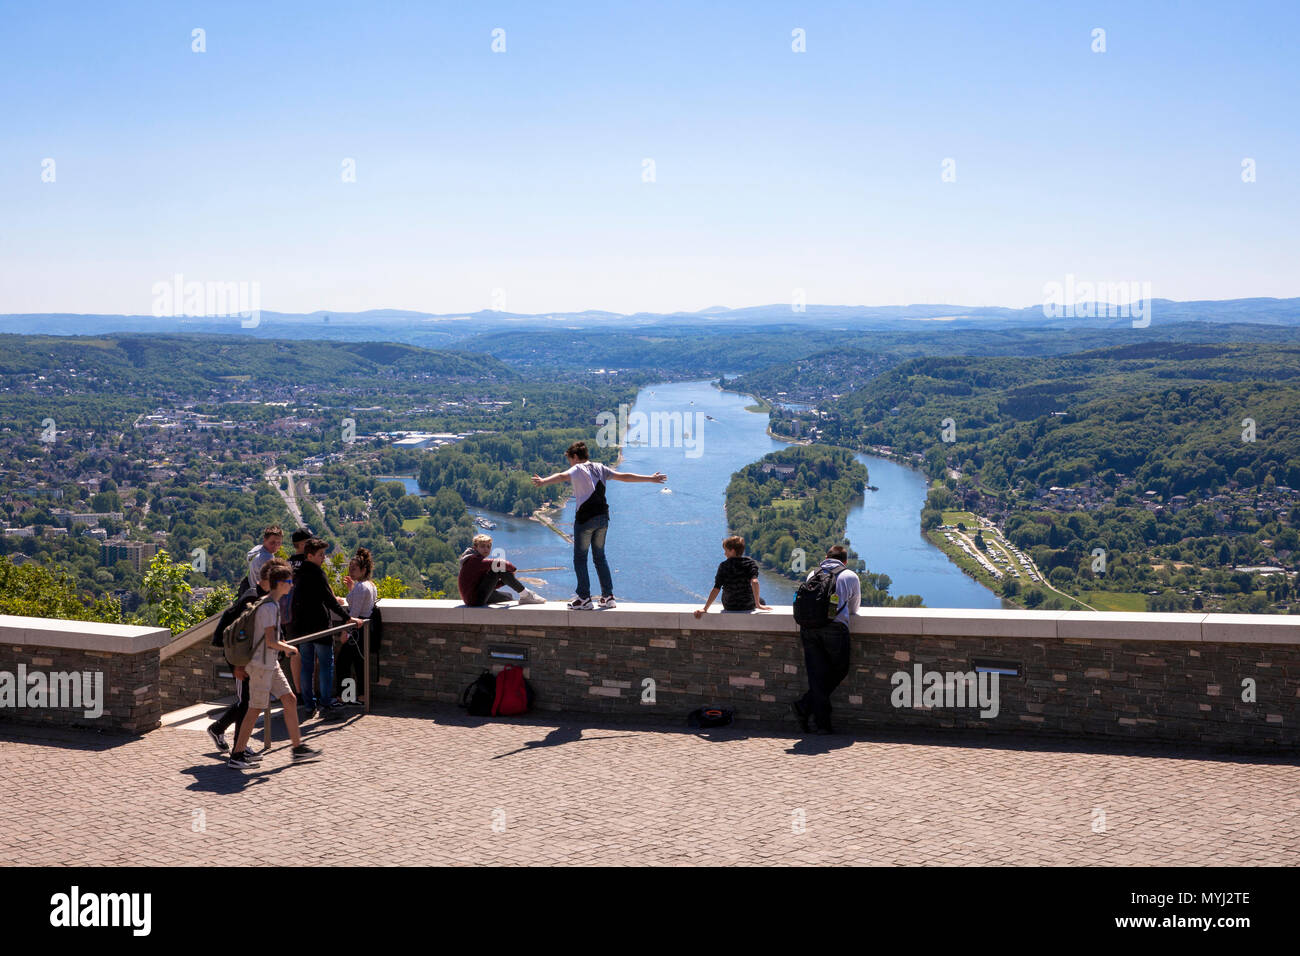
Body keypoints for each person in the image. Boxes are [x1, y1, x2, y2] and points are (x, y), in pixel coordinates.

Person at [531, 440, 666, 609]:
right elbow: (624, 477)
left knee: (580, 558)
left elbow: (561, 476)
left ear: (574, 456)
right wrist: (650, 479)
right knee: (600, 557)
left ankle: (584, 598)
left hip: (585, 518)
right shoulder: (600, 467)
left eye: (570, 459)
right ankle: (608, 597)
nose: (570, 463)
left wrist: (543, 481)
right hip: (603, 518)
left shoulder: (577, 468)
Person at [227, 561, 321, 768]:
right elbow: (270, 641)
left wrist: (282, 645)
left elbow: (269, 638)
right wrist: (288, 649)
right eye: (289, 581)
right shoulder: (269, 607)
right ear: (279, 583)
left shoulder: (271, 604)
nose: (292, 585)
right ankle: (237, 754)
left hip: (270, 663)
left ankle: (297, 749)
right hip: (261, 665)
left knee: (289, 699)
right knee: (254, 709)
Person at [206, 558, 277, 756]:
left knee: (249, 700)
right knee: (246, 701)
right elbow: (238, 636)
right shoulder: (252, 598)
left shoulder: (264, 597)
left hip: (249, 656)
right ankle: (239, 747)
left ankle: (221, 730)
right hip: (238, 655)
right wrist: (238, 665)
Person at [791, 545, 861, 735]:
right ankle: (805, 707)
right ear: (845, 561)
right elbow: (854, 609)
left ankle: (819, 721)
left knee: (816, 675)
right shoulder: (850, 576)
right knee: (840, 669)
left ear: (826, 557)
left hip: (808, 628)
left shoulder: (812, 573)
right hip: (835, 628)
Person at [291, 538, 361, 720]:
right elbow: (329, 599)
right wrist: (347, 617)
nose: (324, 558)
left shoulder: (297, 574)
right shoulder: (317, 573)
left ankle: (308, 704)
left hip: (303, 628)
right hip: (320, 626)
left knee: (306, 666)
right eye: (321, 554)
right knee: (325, 665)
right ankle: (326, 703)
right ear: (310, 555)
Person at [335, 547, 379, 705]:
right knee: (358, 664)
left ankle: (346, 696)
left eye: (354, 568)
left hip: (355, 632)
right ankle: (359, 696)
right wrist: (350, 590)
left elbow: (354, 613)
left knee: (343, 664)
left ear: (363, 569)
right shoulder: (370, 585)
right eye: (350, 568)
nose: (351, 571)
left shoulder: (361, 587)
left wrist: (345, 633)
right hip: (363, 630)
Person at [457, 534, 546, 607]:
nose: (486, 549)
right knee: (498, 568)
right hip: (475, 599)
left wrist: (504, 581)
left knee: (508, 597)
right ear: (475, 548)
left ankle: (525, 596)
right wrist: (513, 569)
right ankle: (526, 595)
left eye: (488, 546)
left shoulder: (475, 560)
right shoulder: (474, 560)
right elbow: (499, 563)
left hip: (473, 598)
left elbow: (488, 585)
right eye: (483, 546)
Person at [694, 535, 771, 618]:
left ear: (732, 551)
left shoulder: (723, 566)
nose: (724, 553)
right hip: (747, 604)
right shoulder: (750, 563)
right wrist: (758, 604)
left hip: (729, 605)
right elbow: (755, 582)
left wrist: (705, 609)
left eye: (726, 551)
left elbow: (716, 589)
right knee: (761, 600)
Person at [243, 525, 282, 593]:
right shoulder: (267, 557)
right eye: (272, 542)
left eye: (279, 543)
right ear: (265, 540)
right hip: (260, 593)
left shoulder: (257, 549)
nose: (276, 545)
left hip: (250, 588)